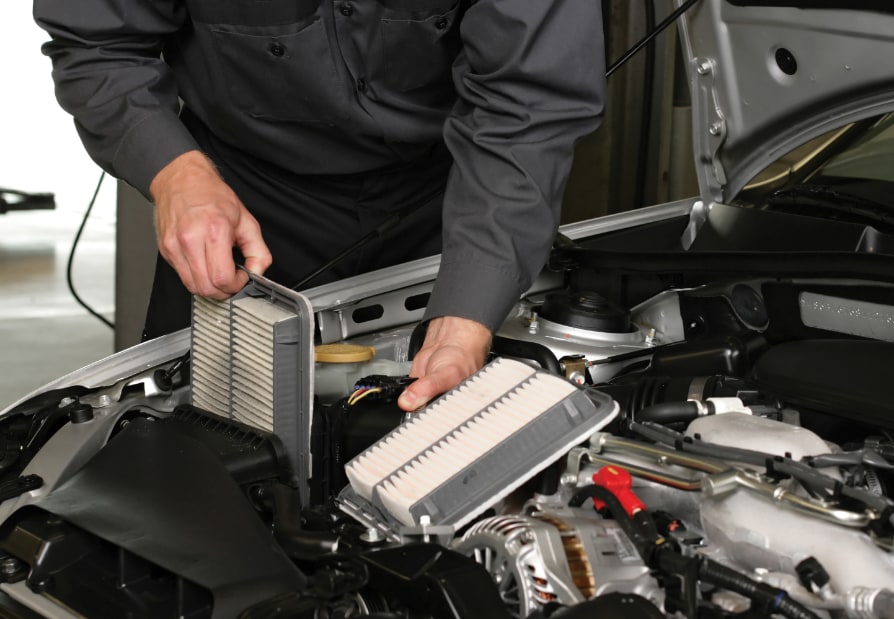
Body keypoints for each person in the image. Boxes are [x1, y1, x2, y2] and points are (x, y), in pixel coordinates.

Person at [33, 0, 606, 412]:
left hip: (455, 202)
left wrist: (470, 308)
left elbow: (529, 99)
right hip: (241, 201)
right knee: (183, 460)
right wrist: (177, 175)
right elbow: (97, 43)